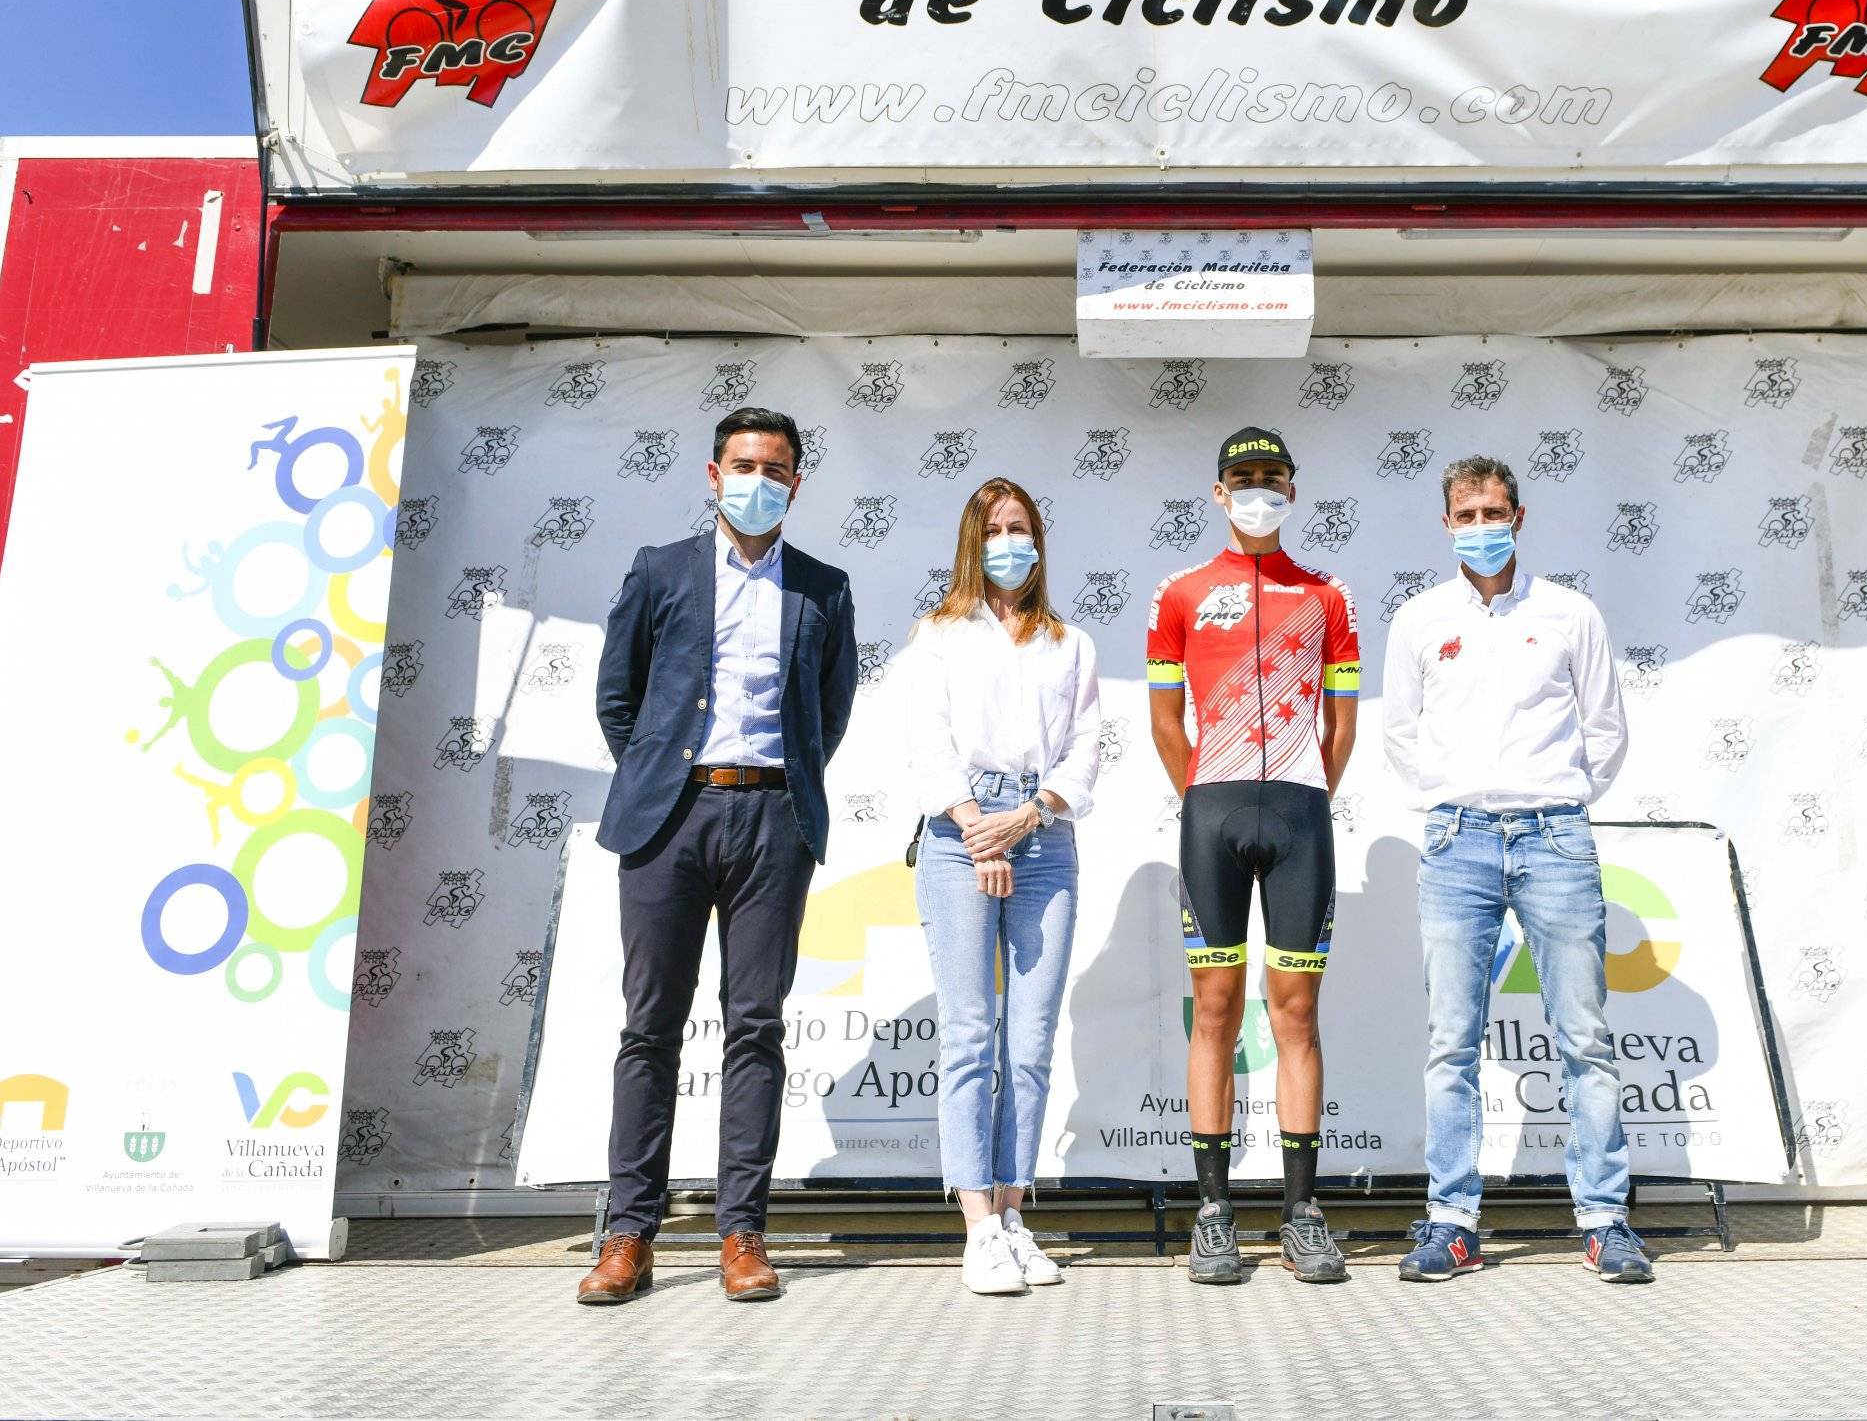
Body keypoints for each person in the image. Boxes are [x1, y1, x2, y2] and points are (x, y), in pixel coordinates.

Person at [579, 406, 858, 1305]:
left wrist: (775, 790)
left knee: (756, 1026)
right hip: (669, 817)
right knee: (648, 1026)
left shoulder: (824, 586)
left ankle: (744, 1232)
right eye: (743, 464)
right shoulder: (659, 570)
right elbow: (618, 697)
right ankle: (629, 1234)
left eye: (775, 467)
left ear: (796, 482)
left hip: (773, 817)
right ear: (712, 472)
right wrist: (665, 776)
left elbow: (832, 708)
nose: (758, 479)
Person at [1379, 455, 1651, 1284]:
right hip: (1457, 840)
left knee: (1585, 1038)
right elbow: (1399, 732)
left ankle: (1605, 1219)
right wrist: (1457, 797)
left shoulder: (1570, 612)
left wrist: (1554, 798)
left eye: (1494, 510)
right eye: (1466, 513)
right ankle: (1452, 1220)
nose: (1481, 525)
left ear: (1520, 516)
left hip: (1555, 838)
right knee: (1451, 1043)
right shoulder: (1420, 619)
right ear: (1447, 522)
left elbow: (1605, 730)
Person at [1145, 426, 1360, 1285]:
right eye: (1243, 477)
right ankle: (1214, 1211)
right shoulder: (1183, 591)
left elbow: (1341, 724)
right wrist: (1204, 790)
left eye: (1273, 476)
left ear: (1293, 491)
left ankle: (1302, 1212)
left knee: (1297, 1012)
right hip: (1212, 812)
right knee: (1216, 1009)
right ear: (1219, 491)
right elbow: (1166, 721)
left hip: (1303, 811)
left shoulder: (1327, 595)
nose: (1258, 488)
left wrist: (1310, 790)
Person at [904, 478, 1102, 1295]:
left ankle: (1015, 1213)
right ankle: (977, 1224)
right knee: (968, 1033)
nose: (1011, 543)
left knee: (1029, 1038)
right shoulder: (939, 635)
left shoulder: (1071, 642)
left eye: (1023, 528)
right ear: (972, 542)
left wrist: (1024, 818)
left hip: (1044, 838)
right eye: (997, 530)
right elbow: (927, 738)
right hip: (957, 838)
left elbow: (1086, 749)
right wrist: (974, 823)